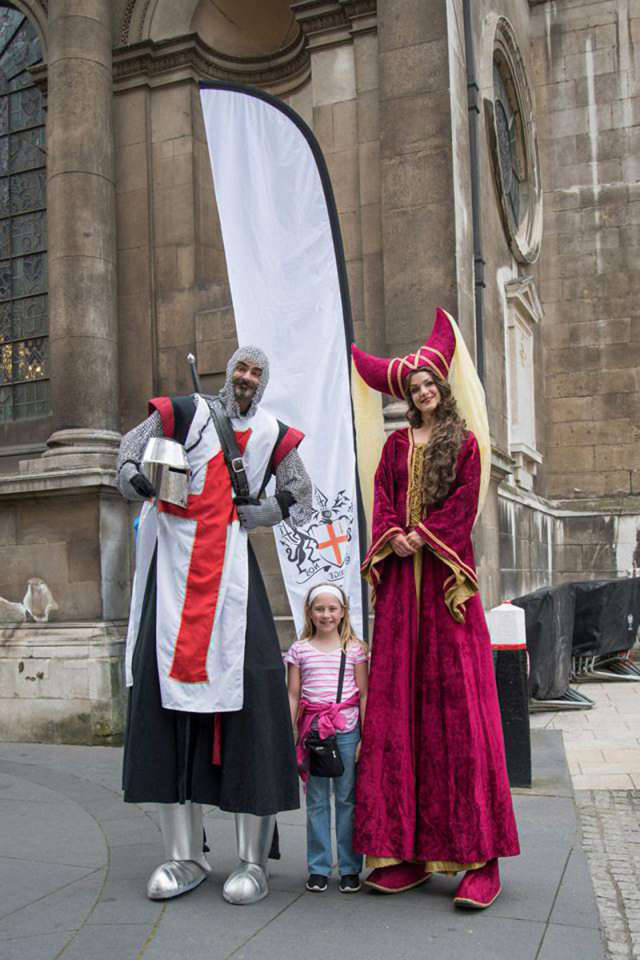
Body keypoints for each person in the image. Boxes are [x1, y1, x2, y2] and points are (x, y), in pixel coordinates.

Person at [117, 345, 313, 905]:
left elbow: (302, 492)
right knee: (164, 707)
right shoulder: (186, 412)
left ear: (263, 382)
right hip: (172, 575)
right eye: (241, 369)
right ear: (227, 373)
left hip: (233, 579)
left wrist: (273, 508)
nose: (247, 378)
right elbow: (130, 449)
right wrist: (133, 476)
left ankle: (253, 861)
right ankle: (185, 854)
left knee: (254, 707)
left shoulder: (273, 434)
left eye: (256, 372)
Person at [351, 308, 520, 909]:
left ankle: (479, 858)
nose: (423, 392)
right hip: (403, 594)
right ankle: (405, 851)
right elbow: (382, 499)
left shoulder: (464, 442)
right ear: (406, 397)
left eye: (429, 384)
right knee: (399, 713)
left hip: (448, 593)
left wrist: (424, 535)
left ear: (442, 388)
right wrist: (391, 535)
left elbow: (464, 503)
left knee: (460, 716)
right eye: (414, 387)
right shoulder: (395, 447)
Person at [286, 583, 368, 894]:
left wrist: (364, 736)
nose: (326, 615)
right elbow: (293, 694)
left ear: (343, 612)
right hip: (314, 734)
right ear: (309, 612)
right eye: (319, 609)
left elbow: (364, 694)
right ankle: (318, 867)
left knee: (347, 800)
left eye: (332, 608)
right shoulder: (299, 649)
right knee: (317, 801)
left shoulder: (355, 650)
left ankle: (349, 868)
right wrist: (291, 731)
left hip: (346, 732)